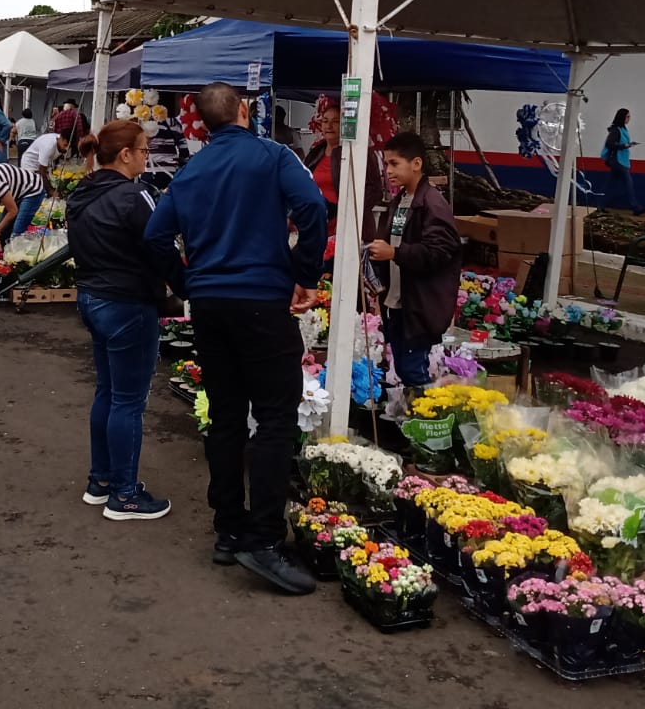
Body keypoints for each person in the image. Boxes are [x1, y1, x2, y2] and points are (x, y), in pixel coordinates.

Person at [143, 83, 329, 594]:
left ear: (200, 123)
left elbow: (155, 237)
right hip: (262, 301)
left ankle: (228, 527)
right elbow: (312, 208)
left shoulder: (191, 170)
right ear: (245, 111)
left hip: (209, 305)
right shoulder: (273, 155)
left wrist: (187, 283)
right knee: (274, 417)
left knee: (225, 415)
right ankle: (264, 540)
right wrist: (306, 274)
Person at [69, 121, 182, 521]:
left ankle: (101, 481)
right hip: (128, 304)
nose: (146, 157)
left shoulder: (82, 191)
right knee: (129, 401)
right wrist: (184, 288)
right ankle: (126, 494)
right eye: (144, 150)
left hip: (92, 297)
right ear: (125, 155)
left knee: (108, 391)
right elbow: (161, 246)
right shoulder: (135, 196)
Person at [365, 133, 463, 397]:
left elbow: (439, 252)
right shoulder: (399, 202)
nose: (388, 171)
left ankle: (430, 420)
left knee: (412, 371)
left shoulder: (432, 204)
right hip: (396, 302)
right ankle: (417, 418)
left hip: (417, 306)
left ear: (416, 163)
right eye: (386, 164)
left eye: (394, 163)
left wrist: (394, 252)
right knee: (406, 369)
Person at [303, 101, 383, 240]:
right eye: (325, 121)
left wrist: (348, 212)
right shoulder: (315, 153)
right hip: (319, 227)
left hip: (349, 229)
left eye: (335, 121)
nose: (329, 126)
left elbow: (375, 191)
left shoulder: (359, 153)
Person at [17, 128, 71, 233]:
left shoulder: (60, 143)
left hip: (42, 166)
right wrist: (51, 190)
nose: (66, 148)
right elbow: (42, 171)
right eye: (65, 145)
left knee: (42, 190)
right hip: (30, 165)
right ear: (60, 139)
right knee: (33, 190)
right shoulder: (49, 145)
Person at [600, 108, 645, 214]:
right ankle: (636, 207)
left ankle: (599, 204)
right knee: (628, 183)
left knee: (609, 184)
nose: (629, 119)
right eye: (627, 116)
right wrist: (624, 145)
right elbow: (610, 144)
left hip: (620, 161)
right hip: (618, 161)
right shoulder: (616, 130)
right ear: (622, 117)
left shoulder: (622, 129)